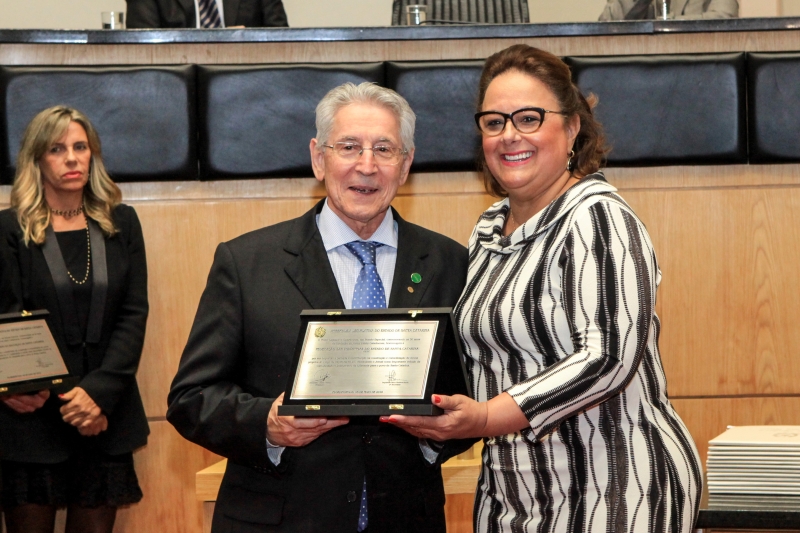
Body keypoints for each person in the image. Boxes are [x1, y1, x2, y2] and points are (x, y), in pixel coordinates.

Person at [383, 44, 703, 533]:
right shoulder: (489, 229)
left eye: (528, 118)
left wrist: (486, 417)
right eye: (494, 122)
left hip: (616, 489)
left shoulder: (598, 216)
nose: (509, 135)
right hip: (515, 495)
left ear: (572, 127)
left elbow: (608, 356)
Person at [167, 82, 472, 533]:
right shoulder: (247, 262)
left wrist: (436, 440)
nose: (366, 165)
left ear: (405, 164)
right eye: (348, 146)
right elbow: (190, 399)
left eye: (384, 149)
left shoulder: (450, 263)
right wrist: (268, 425)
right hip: (280, 519)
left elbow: (473, 391)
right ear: (318, 157)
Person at [0, 106, 149, 533]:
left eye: (80, 147)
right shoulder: (9, 229)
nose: (71, 158)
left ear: (93, 155)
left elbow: (133, 314)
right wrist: (69, 397)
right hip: (32, 416)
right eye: (57, 149)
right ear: (36, 161)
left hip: (104, 416)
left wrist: (98, 394)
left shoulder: (122, 223)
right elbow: (9, 321)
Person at [125, 0, 288, 29]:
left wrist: (243, 42)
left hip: (248, 86)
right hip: (171, 91)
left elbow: (282, 42)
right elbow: (142, 52)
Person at [599, 0, 738, 20]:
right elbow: (607, 24)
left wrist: (668, 22)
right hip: (642, 73)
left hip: (700, 70)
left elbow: (725, 18)